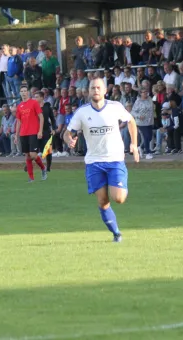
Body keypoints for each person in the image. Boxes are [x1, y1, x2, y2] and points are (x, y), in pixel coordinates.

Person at [64, 78, 139, 242]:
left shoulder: (115, 107)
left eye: (98, 87)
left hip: (115, 160)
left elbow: (131, 121)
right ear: (88, 91)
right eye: (93, 88)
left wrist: (134, 144)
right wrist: (69, 139)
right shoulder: (82, 112)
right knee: (103, 200)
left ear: (105, 90)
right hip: (94, 162)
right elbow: (67, 132)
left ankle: (118, 185)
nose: (95, 90)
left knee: (119, 198)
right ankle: (116, 233)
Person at [15, 86, 47, 183]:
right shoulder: (19, 106)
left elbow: (41, 117)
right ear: (20, 93)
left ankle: (43, 168)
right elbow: (18, 122)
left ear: (28, 93)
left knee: (33, 155)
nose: (23, 93)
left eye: (25, 91)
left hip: (33, 132)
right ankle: (31, 177)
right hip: (23, 133)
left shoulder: (34, 103)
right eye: (22, 91)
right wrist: (16, 135)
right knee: (27, 156)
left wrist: (40, 131)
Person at [35, 91, 56, 172]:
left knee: (48, 150)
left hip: (46, 130)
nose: (35, 98)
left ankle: (48, 167)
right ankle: (29, 164)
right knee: (34, 150)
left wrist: (54, 128)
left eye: (37, 97)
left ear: (41, 97)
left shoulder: (47, 107)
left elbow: (52, 118)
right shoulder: (34, 107)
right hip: (36, 131)